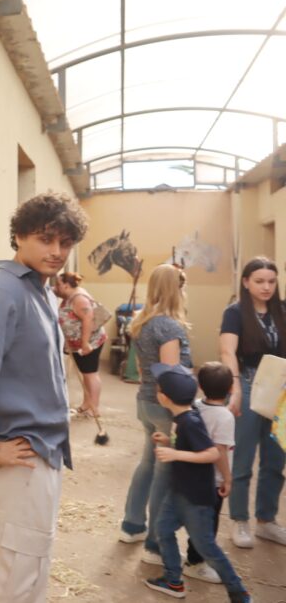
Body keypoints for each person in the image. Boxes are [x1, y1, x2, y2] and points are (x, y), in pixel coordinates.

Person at [0, 191, 88, 603]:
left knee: (28, 574)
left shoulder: (39, 288)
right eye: (46, 239)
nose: (57, 251)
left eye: (65, 243)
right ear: (20, 236)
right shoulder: (5, 291)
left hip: (39, 455)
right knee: (11, 586)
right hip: (16, 460)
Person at [145, 363, 251, 603]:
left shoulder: (191, 420)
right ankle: (173, 580)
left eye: (158, 388)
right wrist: (169, 442)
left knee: (206, 547)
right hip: (180, 489)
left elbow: (213, 453)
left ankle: (238, 591)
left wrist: (175, 455)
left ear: (163, 397)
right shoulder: (184, 417)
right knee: (163, 530)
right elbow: (191, 445)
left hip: (196, 497)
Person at [119, 264, 192, 564]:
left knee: (148, 462)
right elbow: (170, 375)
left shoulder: (141, 322)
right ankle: (155, 544)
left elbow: (142, 369)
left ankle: (132, 525)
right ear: (176, 289)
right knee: (165, 470)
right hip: (165, 406)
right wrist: (180, 412)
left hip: (145, 402)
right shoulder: (169, 327)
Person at [221, 256, 286, 548]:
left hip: (280, 391)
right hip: (246, 385)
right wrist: (234, 386)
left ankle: (266, 520)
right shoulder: (235, 313)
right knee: (244, 458)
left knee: (275, 458)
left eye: (271, 281)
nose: (266, 287)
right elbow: (227, 351)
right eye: (259, 281)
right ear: (246, 282)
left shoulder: (282, 311)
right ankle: (239, 520)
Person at [182, 362, 236, 585]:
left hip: (190, 474)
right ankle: (195, 563)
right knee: (208, 523)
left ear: (200, 387)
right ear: (231, 388)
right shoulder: (224, 417)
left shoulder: (194, 406)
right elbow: (220, 451)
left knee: (196, 518)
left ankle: (194, 555)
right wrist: (227, 478)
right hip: (212, 480)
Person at [54, 271, 109, 444]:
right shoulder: (69, 296)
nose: (56, 287)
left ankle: (95, 407)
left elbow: (88, 319)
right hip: (77, 345)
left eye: (57, 284)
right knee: (86, 373)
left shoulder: (79, 299)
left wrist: (85, 343)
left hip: (90, 343)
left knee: (90, 373)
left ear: (66, 285)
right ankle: (87, 404)